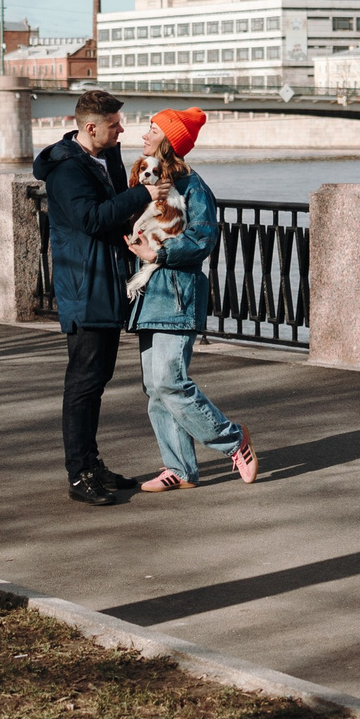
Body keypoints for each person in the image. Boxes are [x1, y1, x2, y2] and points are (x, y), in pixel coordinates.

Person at [125, 108, 258, 491]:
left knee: (171, 381)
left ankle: (234, 440)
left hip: (177, 294)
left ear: (169, 140)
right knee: (155, 388)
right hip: (149, 296)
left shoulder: (192, 186)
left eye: (151, 128)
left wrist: (160, 254)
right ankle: (180, 470)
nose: (144, 133)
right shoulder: (148, 178)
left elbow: (202, 238)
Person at [32, 88, 150, 505]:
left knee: (97, 379)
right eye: (116, 125)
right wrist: (145, 195)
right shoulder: (67, 170)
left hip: (105, 279)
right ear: (91, 127)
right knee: (82, 383)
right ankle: (78, 474)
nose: (123, 129)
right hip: (84, 285)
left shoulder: (106, 157)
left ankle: (91, 463)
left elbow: (116, 210)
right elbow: (91, 219)